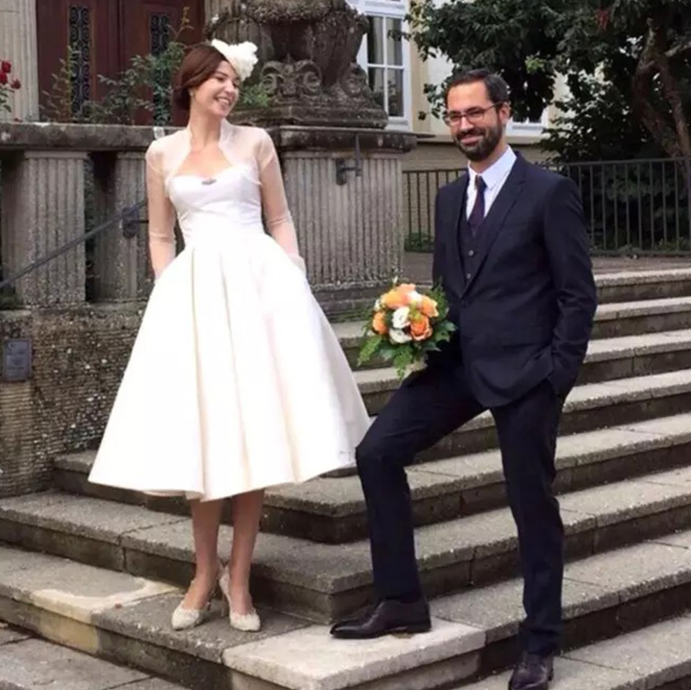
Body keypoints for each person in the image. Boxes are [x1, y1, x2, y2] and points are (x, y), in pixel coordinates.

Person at [89, 40, 370, 633]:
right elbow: (160, 235)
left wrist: (293, 277)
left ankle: (237, 578)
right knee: (205, 433)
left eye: (233, 80)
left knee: (256, 433)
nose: (229, 89)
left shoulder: (256, 143)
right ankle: (202, 572)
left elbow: (280, 218)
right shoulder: (161, 154)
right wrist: (169, 288)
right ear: (192, 84)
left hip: (259, 291)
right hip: (194, 297)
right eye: (218, 78)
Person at [331, 69, 597, 690]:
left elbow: (578, 294)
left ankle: (540, 643)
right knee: (376, 452)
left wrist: (556, 377)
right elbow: (453, 287)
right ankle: (401, 600)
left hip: (526, 374)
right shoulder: (449, 198)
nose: (464, 126)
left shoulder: (548, 192)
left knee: (531, 504)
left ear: (503, 112)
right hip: (455, 366)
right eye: (453, 116)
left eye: (475, 113)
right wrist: (417, 325)